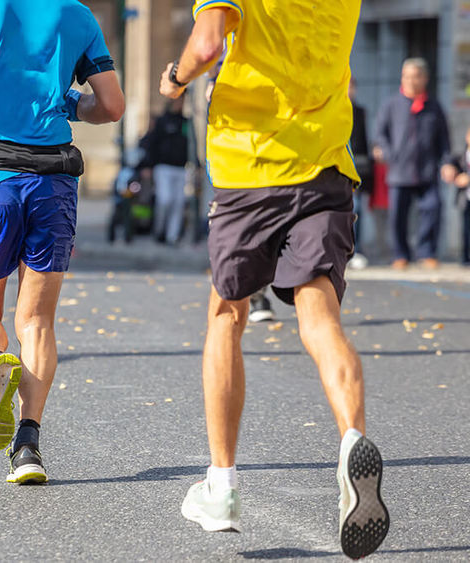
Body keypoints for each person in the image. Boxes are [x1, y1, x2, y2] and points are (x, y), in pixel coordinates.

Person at [160, 1, 388, 558]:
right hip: (326, 164)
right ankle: (353, 438)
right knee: (320, 317)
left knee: (227, 315)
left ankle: (221, 486)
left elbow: (208, 43)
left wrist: (175, 78)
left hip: (250, 170)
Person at [0, 0, 124, 484]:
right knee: (36, 320)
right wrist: (69, 102)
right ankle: (28, 447)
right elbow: (113, 106)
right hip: (53, 181)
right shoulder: (77, 14)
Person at [373, 58, 451, 271]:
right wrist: (389, 154)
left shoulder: (434, 107)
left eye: (415, 76)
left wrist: (446, 163)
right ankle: (400, 254)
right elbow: (380, 135)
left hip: (427, 171)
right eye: (406, 76)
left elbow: (444, 140)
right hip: (399, 171)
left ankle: (427, 252)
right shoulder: (391, 105)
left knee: (433, 208)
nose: (410, 80)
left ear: (424, 78)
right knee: (397, 215)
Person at [144, 95, 192, 245]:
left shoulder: (185, 122)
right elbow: (152, 143)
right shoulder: (162, 121)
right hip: (163, 166)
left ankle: (173, 235)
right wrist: (148, 165)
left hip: (180, 167)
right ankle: (159, 230)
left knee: (178, 202)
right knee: (165, 199)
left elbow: (191, 144)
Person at [348, 79, 373, 270]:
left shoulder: (360, 112)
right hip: (334, 168)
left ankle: (356, 250)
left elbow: (363, 143)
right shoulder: (327, 110)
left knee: (357, 210)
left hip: (355, 167)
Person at [441, 126, 470, 266]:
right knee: (466, 229)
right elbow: (450, 164)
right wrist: (449, 170)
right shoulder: (461, 156)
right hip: (466, 199)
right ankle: (465, 257)